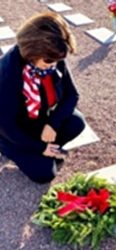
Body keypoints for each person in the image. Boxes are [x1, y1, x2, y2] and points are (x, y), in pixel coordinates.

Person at [0, 12, 85, 183]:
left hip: (40, 120)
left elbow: (72, 95)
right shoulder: (7, 74)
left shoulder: (52, 55)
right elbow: (6, 124)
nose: (54, 65)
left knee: (77, 122)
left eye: (59, 60)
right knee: (44, 175)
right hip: (13, 132)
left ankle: (46, 150)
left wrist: (53, 124)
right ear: (32, 52)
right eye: (48, 61)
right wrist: (40, 147)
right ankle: (12, 150)